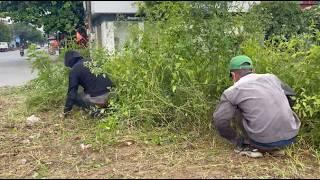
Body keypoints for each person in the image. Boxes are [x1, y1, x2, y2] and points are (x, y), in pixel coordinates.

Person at [213, 55, 301, 158]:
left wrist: (236, 139)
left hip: (261, 141)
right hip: (290, 137)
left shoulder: (232, 91)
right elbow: (291, 96)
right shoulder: (272, 78)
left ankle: (246, 146)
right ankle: (274, 147)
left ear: (233, 75)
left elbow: (220, 120)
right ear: (253, 70)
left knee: (238, 109)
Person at [63, 50, 113, 117]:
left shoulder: (74, 69)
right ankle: (108, 107)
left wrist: (66, 111)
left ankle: (96, 111)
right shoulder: (91, 61)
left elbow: (71, 94)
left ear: (70, 62)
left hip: (100, 99)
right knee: (82, 92)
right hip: (112, 95)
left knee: (74, 96)